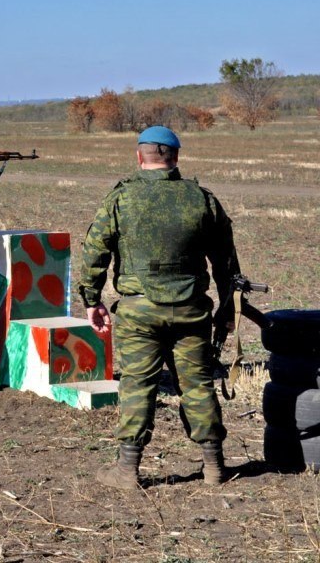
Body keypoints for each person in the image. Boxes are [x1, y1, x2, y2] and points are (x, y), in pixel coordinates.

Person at [78, 126, 240, 489]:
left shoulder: (120, 199)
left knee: (137, 384)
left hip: (139, 312)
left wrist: (92, 300)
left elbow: (94, 254)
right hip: (191, 311)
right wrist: (227, 311)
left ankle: (127, 470)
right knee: (198, 384)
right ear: (176, 158)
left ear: (140, 157)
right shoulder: (202, 199)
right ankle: (214, 467)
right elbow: (226, 263)